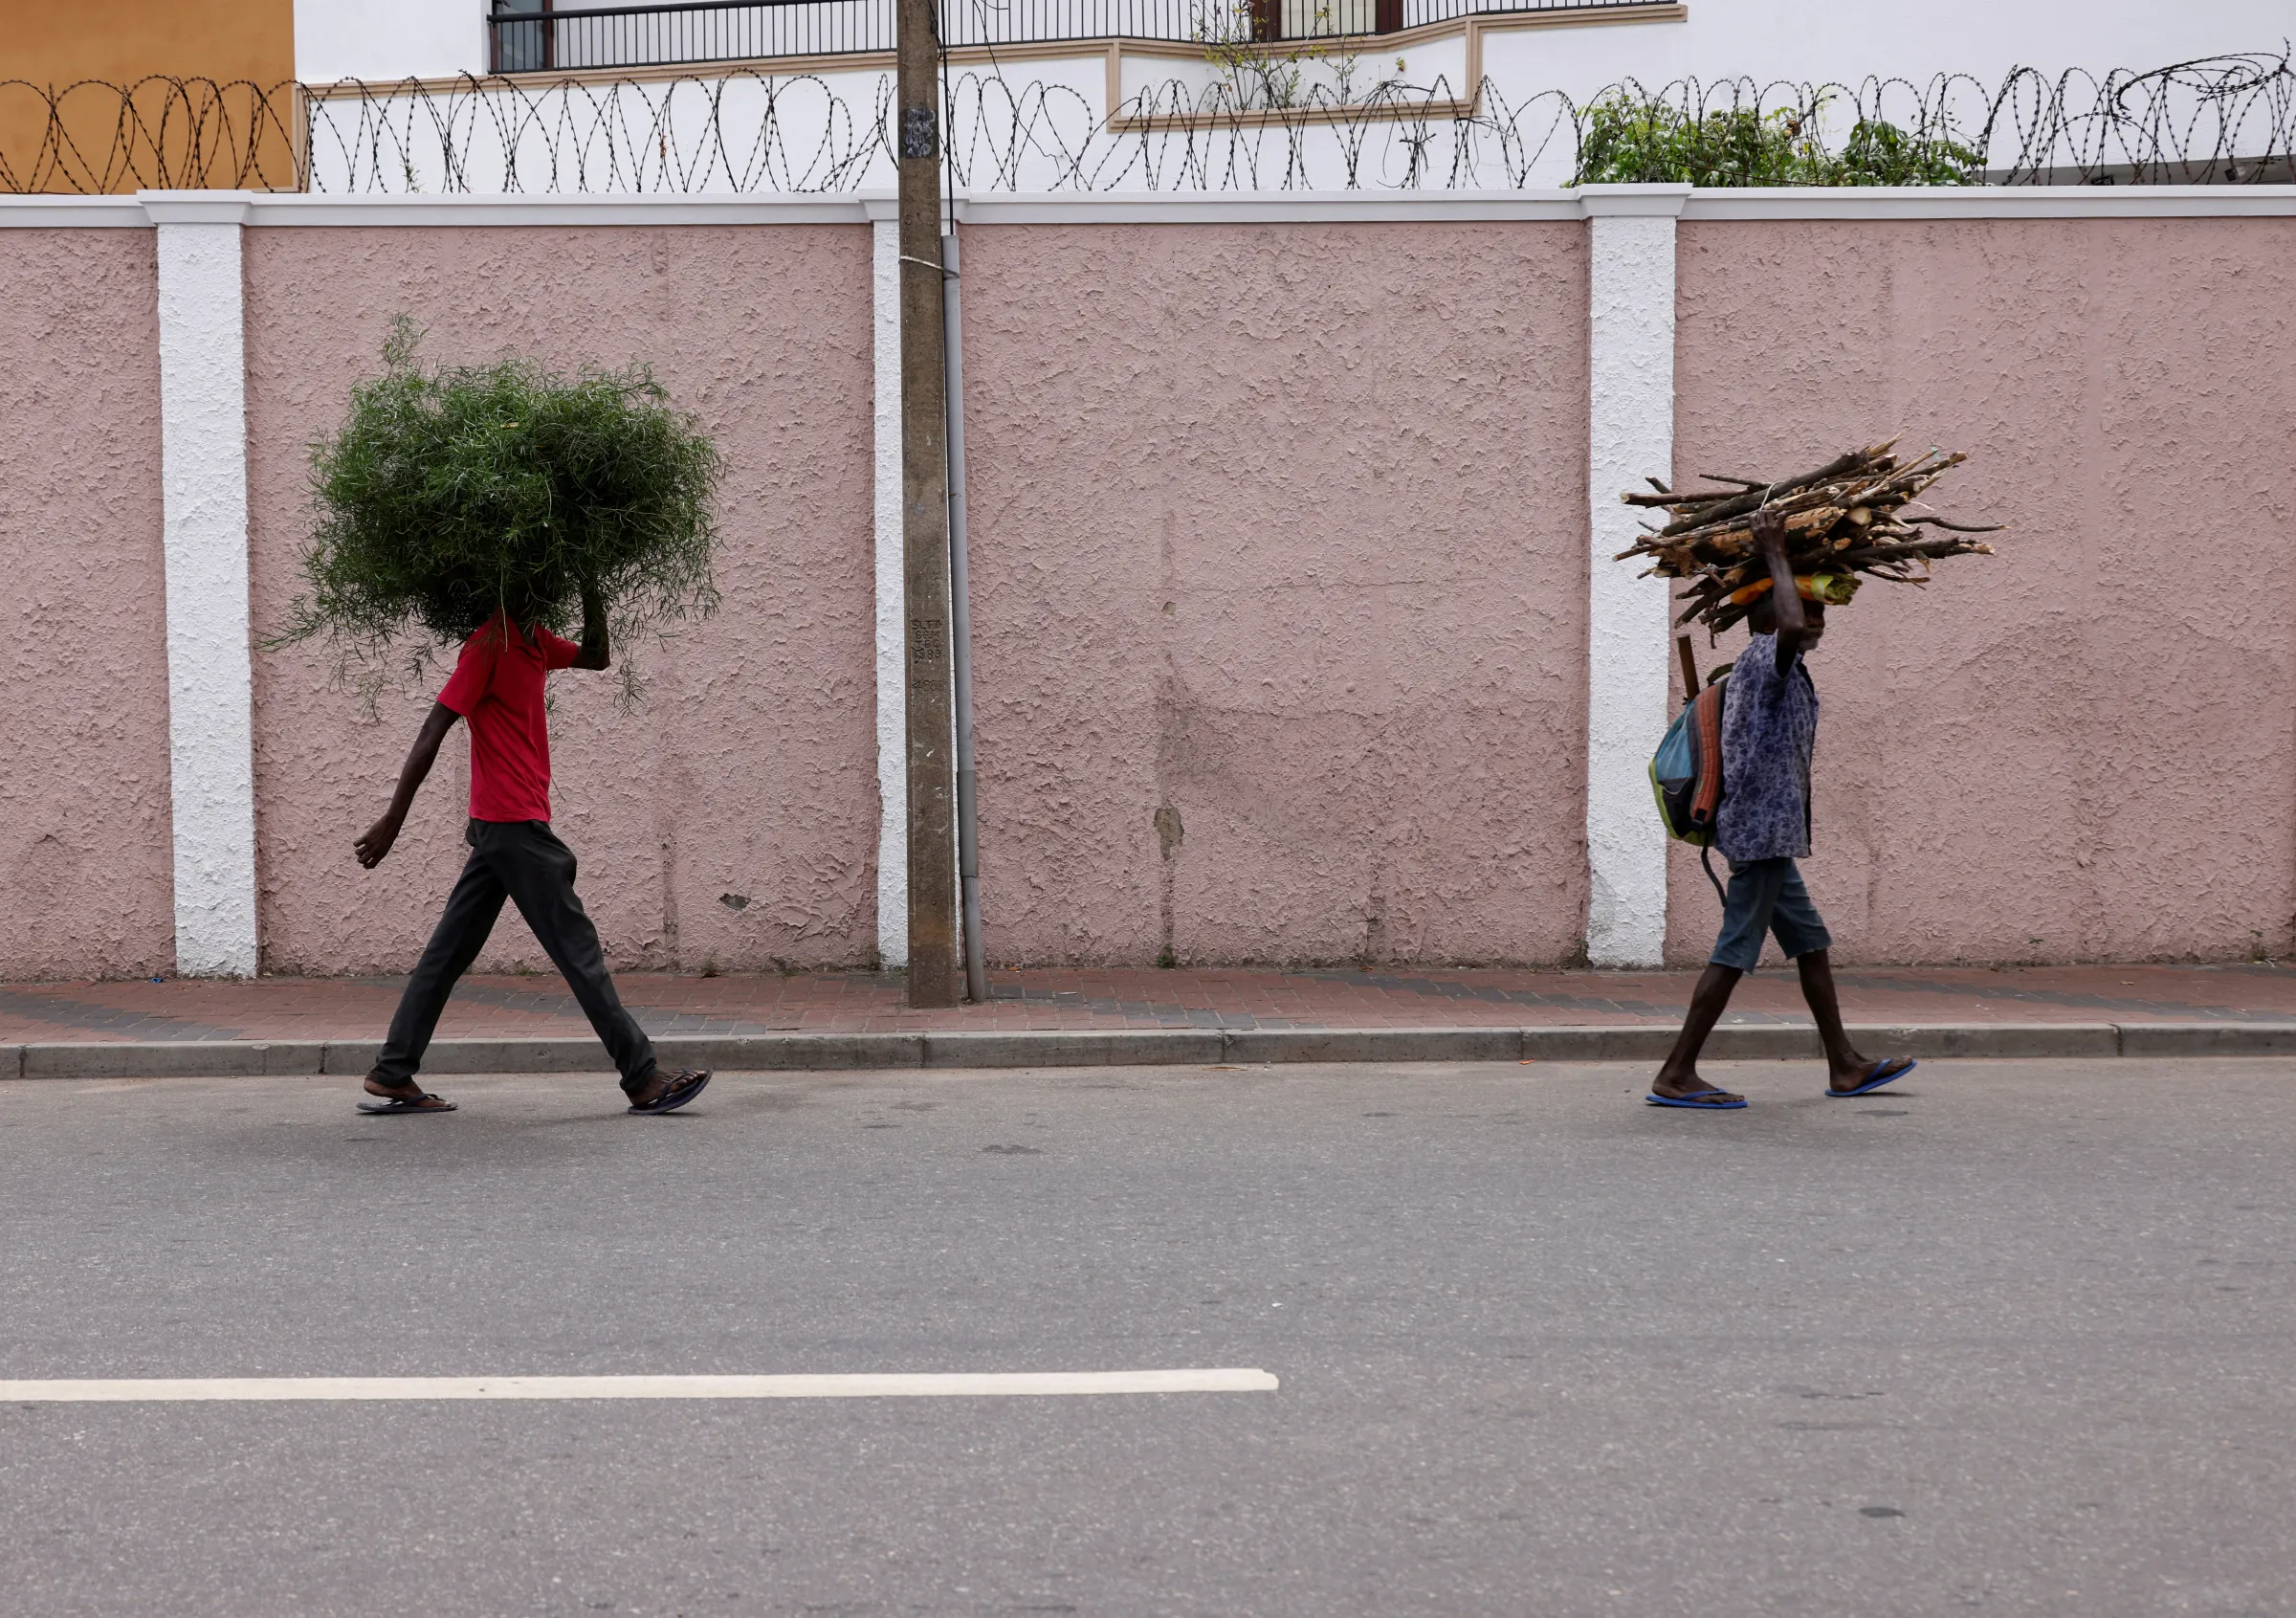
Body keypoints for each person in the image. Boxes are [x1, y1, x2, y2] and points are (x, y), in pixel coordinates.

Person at [350, 583, 710, 1117]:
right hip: (513, 826)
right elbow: (434, 727)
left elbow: (597, 658)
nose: (548, 585)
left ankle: (392, 1071)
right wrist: (393, 819)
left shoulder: (533, 640)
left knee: (447, 953)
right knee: (578, 950)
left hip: (505, 828)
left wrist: (592, 585)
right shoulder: (488, 645)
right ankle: (642, 1077)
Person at [1646, 510, 1916, 1110]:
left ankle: (1844, 1063)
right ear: (1767, 618)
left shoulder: (1783, 667)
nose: (1815, 621)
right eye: (1805, 609)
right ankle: (1676, 1072)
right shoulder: (1767, 656)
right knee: (1735, 950)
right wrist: (1775, 553)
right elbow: (1790, 626)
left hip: (1772, 834)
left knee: (1811, 944)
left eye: (1818, 610)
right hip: (1758, 835)